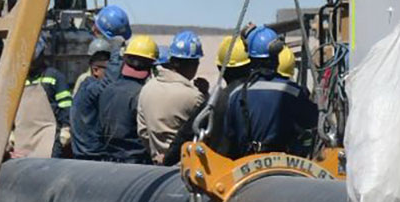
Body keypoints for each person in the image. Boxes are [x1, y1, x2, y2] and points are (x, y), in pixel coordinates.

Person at [205, 26, 317, 158]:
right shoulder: (293, 92)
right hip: (286, 167)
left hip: (245, 168)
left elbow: (229, 137)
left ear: (251, 59)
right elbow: (313, 124)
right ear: (276, 58)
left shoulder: (236, 95)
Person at [71, 33, 155, 163]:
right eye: (107, 67)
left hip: (97, 155)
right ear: (95, 70)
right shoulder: (94, 89)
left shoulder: (88, 84)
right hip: (93, 155)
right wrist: (116, 52)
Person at [139, 31, 207, 165]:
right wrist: (206, 96)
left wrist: (157, 154)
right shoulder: (193, 96)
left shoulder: (147, 89)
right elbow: (203, 133)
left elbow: (143, 133)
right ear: (193, 65)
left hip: (157, 164)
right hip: (185, 167)